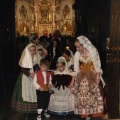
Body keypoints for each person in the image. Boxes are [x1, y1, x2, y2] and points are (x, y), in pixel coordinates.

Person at [74, 35, 106, 120]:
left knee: (93, 92)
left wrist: (98, 76)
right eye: (76, 47)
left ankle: (92, 112)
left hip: (92, 73)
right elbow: (76, 69)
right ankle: (86, 114)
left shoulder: (92, 51)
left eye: (78, 47)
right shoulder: (77, 54)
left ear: (84, 45)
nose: (77, 49)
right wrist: (75, 80)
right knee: (82, 91)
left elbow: (97, 65)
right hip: (82, 74)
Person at [11, 43, 41, 113]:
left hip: (35, 77)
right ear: (28, 51)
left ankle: (35, 108)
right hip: (26, 77)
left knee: (34, 92)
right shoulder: (25, 57)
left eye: (34, 50)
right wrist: (29, 74)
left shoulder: (37, 57)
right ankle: (25, 108)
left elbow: (39, 66)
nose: (32, 52)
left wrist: (37, 73)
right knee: (25, 92)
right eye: (31, 50)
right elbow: (22, 69)